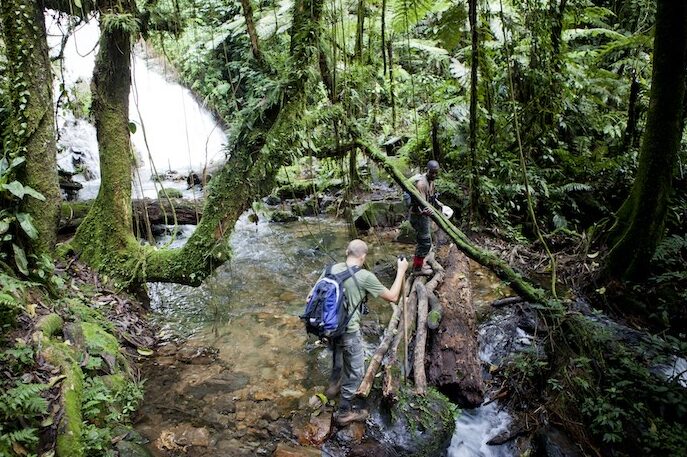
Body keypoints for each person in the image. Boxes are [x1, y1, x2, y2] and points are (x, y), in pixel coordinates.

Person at [308, 239, 409, 426]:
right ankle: (344, 412)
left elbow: (310, 296)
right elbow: (393, 296)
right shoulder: (365, 276)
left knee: (338, 357)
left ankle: (331, 390)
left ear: (347, 252)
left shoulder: (329, 270)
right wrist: (401, 270)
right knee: (355, 371)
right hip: (349, 331)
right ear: (363, 257)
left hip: (328, 329)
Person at [409, 160, 440, 275]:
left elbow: (430, 197)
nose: (434, 175)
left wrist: (438, 203)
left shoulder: (432, 181)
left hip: (424, 216)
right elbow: (420, 204)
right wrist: (426, 213)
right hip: (418, 216)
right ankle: (417, 268)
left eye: (436, 173)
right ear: (427, 170)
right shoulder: (421, 184)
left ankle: (420, 263)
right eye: (432, 173)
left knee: (425, 241)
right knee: (425, 243)